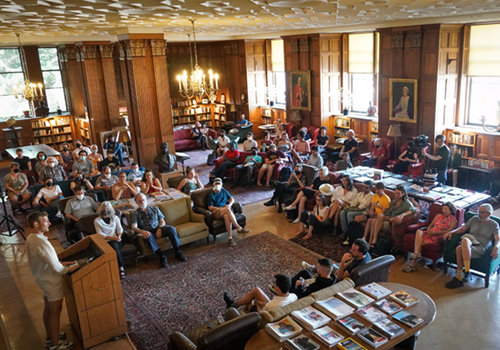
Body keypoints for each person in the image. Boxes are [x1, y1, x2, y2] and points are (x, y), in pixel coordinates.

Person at [25, 211, 79, 350]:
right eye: (45, 221)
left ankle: (51, 337)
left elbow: (49, 261)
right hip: (51, 281)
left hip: (42, 277)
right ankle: (56, 345)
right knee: (55, 312)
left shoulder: (31, 238)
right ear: (36, 224)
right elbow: (58, 270)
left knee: (48, 310)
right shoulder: (41, 243)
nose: (49, 223)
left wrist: (61, 263)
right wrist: (76, 265)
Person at [444, 204, 499, 289]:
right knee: (465, 240)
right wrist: (451, 232)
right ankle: (467, 271)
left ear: (488, 214)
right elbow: (463, 229)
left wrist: (496, 247)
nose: (479, 214)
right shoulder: (474, 219)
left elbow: (498, 239)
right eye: (478, 211)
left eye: (482, 212)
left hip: (480, 247)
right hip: (469, 242)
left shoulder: (494, 224)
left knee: (459, 248)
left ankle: (459, 277)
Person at [131, 193, 187, 267]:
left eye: (144, 200)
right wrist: (142, 231)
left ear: (146, 200)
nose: (142, 202)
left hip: (159, 228)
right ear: (136, 202)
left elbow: (162, 221)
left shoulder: (155, 209)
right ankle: (162, 256)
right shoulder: (135, 214)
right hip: (148, 231)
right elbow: (134, 227)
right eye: (140, 201)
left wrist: (160, 229)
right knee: (147, 236)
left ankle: (178, 251)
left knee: (171, 229)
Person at [403, 202, 457, 273]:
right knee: (419, 231)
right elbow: (430, 225)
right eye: (443, 208)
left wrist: (435, 233)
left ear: (451, 210)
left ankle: (413, 263)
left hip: (437, 236)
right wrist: (428, 230)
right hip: (429, 233)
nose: (443, 210)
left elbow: (449, 231)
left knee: (419, 242)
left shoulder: (453, 220)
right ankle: (417, 254)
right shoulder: (438, 215)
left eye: (446, 209)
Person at [365, 185, 416, 249]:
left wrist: (402, 215)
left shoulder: (406, 203)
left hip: (391, 223)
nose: (396, 195)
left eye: (398, 193)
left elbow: (414, 210)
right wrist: (388, 217)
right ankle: (371, 243)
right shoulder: (394, 201)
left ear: (403, 194)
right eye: (396, 193)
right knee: (373, 220)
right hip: (388, 219)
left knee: (374, 220)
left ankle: (372, 241)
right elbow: (388, 213)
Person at [207, 178, 250, 246]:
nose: (217, 185)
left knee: (226, 216)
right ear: (214, 185)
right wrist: (221, 208)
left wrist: (229, 204)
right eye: (216, 184)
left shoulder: (224, 191)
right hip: (216, 211)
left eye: (219, 184)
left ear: (221, 185)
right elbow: (210, 207)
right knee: (227, 210)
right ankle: (238, 228)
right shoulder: (211, 195)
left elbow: (231, 198)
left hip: (225, 211)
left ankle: (230, 238)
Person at [223, 274, 297, 313]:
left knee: (249, 302)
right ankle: (233, 305)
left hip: (263, 313)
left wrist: (258, 305)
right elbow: (271, 305)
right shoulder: (294, 296)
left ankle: (236, 310)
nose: (273, 284)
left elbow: (261, 313)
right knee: (256, 290)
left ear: (277, 288)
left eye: (274, 283)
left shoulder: (271, 305)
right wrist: (260, 303)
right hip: (276, 306)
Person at [94, 202, 127, 279]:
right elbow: (100, 234)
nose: (106, 211)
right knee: (114, 246)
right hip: (106, 240)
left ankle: (120, 267)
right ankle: (121, 267)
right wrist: (112, 238)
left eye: (107, 209)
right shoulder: (97, 220)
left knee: (115, 246)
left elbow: (120, 229)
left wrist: (118, 236)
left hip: (117, 238)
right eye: (104, 209)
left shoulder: (115, 218)